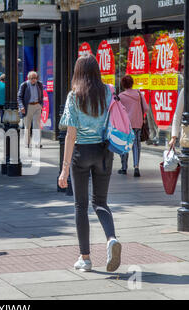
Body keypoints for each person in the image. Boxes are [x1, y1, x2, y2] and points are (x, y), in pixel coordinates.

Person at [58, 54, 121, 273]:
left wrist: (64, 169)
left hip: (81, 154)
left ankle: (85, 258)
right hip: (104, 151)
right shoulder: (108, 91)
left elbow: (70, 135)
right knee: (101, 202)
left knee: (80, 206)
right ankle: (111, 239)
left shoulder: (74, 96)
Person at [118, 75, 149, 177]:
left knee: (125, 145)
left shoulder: (121, 96)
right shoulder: (139, 94)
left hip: (125, 124)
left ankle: (124, 168)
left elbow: (117, 111)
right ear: (132, 83)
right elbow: (146, 108)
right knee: (136, 145)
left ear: (123, 84)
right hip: (137, 123)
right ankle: (136, 167)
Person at [18, 71, 44, 148]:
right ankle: (27, 143)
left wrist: (41, 105)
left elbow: (41, 95)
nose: (34, 80)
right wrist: (21, 106)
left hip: (37, 106)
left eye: (35, 78)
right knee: (27, 126)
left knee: (37, 125)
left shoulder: (39, 84)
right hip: (27, 107)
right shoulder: (24, 85)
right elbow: (19, 97)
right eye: (32, 78)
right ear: (28, 78)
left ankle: (37, 143)